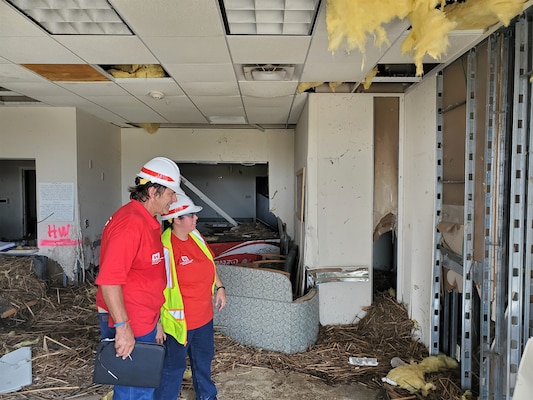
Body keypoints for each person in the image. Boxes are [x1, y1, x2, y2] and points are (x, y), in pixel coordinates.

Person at [95, 156, 184, 400]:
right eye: (171, 193)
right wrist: (123, 327)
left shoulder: (147, 221)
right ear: (154, 191)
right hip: (130, 323)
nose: (174, 199)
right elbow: (109, 281)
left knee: (143, 387)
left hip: (143, 320)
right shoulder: (130, 225)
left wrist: (155, 319)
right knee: (133, 392)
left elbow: (145, 274)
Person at [154, 195, 227, 400]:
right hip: (178, 323)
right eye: (191, 215)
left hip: (204, 318)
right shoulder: (164, 247)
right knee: (173, 369)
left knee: (203, 363)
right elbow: (156, 288)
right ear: (176, 219)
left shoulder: (196, 237)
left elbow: (210, 265)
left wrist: (220, 287)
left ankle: (207, 396)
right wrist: (158, 322)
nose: (196, 218)